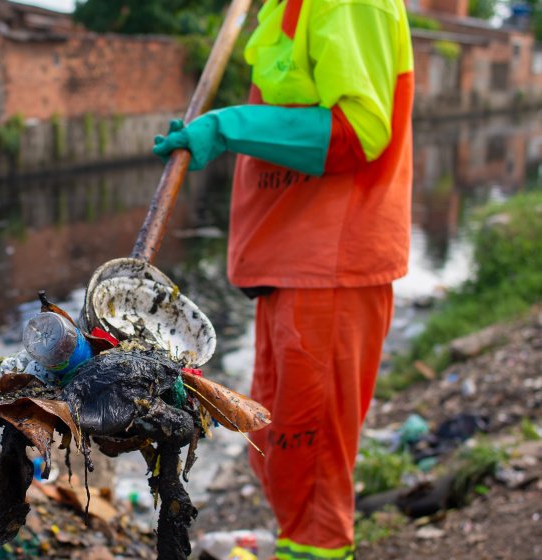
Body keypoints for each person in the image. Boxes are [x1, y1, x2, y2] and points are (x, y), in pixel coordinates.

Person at [153, 0, 413, 558]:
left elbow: (361, 132)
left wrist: (230, 126)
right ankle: (301, 545)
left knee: (310, 460)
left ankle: (315, 550)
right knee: (274, 440)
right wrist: (217, 129)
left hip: (330, 266)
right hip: (291, 261)